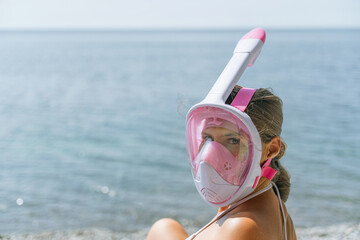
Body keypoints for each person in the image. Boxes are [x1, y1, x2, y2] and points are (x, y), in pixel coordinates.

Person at [147, 86, 297, 240]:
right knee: (165, 227)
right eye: (207, 138)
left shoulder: (241, 227)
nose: (210, 155)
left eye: (233, 140)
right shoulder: (277, 211)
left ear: (271, 149)